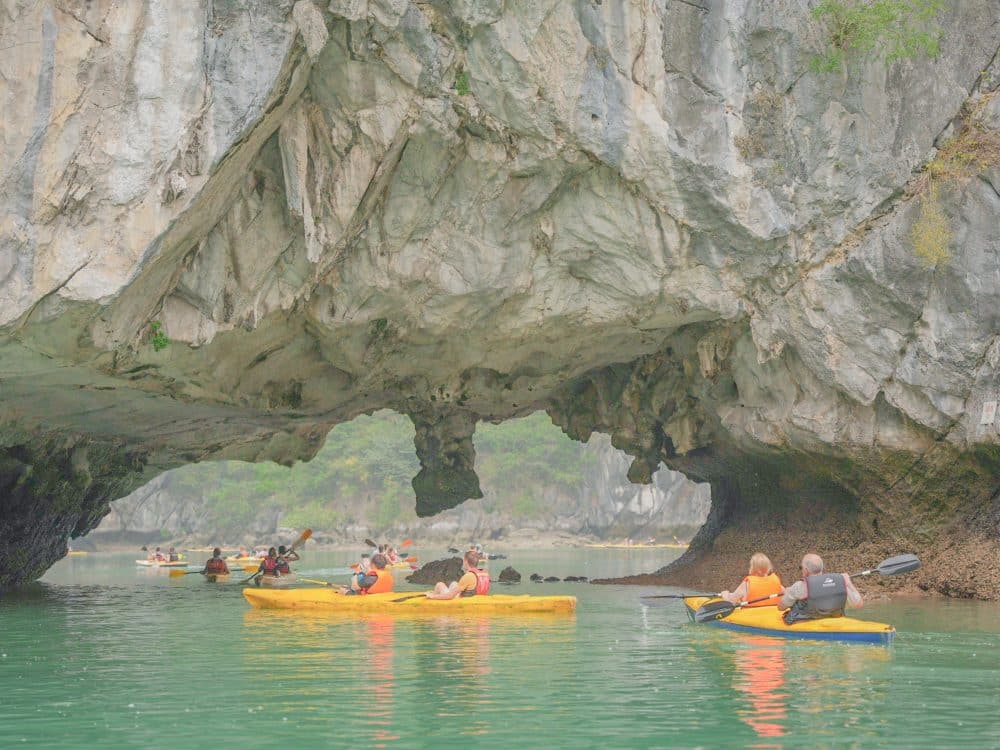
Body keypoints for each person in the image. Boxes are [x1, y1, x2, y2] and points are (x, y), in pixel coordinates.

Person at [779, 553, 862, 625]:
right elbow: (858, 604)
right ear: (821, 568)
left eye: (801, 567)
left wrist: (788, 593)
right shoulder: (838, 583)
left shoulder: (798, 587)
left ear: (806, 570)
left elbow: (781, 607)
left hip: (804, 623)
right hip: (833, 621)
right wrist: (848, 583)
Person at [719, 553, 784, 607]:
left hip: (750, 615)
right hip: (771, 614)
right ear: (769, 567)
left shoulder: (746, 584)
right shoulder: (776, 582)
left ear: (753, 568)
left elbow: (730, 603)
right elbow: (786, 595)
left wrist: (725, 595)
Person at [426, 551, 490, 600]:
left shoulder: (468, 576)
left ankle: (432, 602)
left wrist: (433, 596)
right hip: (476, 598)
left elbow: (449, 596)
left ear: (466, 561)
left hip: (464, 601)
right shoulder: (485, 573)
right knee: (454, 583)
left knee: (439, 585)